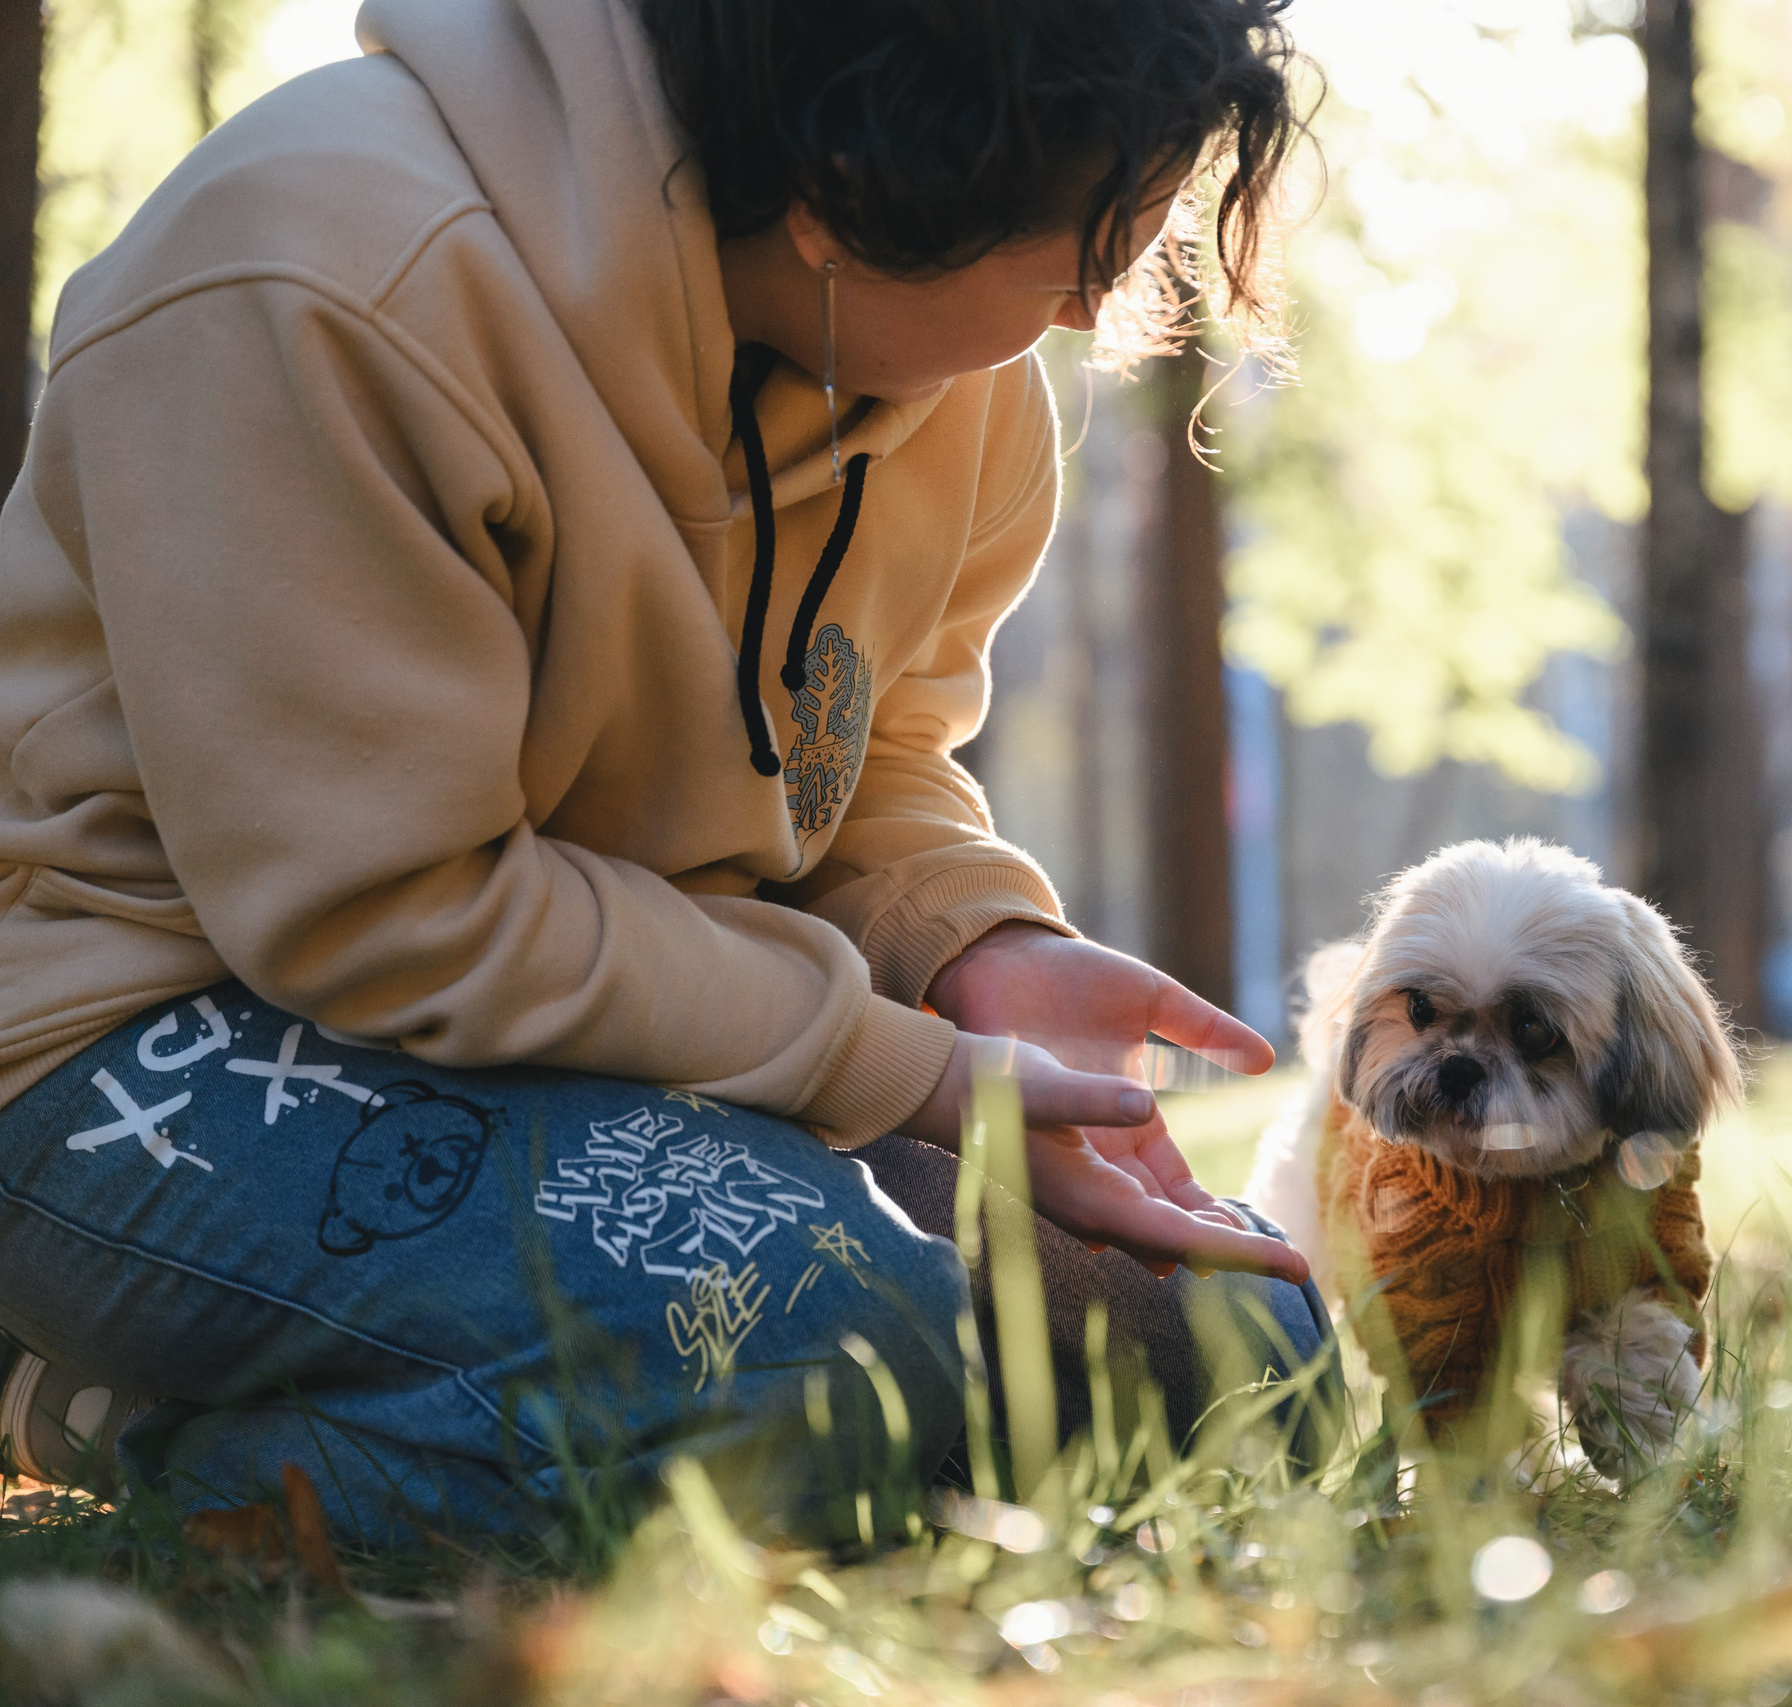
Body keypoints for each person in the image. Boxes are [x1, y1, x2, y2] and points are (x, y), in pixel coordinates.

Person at [0, 0, 1325, 1541]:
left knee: (1243, 1359)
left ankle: (653, 1434)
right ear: (850, 190)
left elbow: (866, 748)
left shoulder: (957, 386)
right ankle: (107, 1402)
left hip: (598, 1037)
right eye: (1083, 260)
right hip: (132, 1041)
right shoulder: (321, 280)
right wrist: (890, 1068)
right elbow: (389, 914)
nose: (1095, 319)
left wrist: (976, 946)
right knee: (808, 1350)